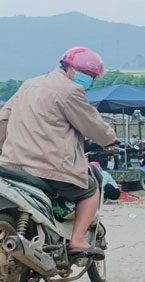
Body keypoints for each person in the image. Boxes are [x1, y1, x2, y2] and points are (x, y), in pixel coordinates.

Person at [0, 46, 116, 256]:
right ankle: (77, 240)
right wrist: (109, 140)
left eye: (91, 76)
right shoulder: (70, 90)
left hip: (11, 166)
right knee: (90, 190)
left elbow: (3, 121)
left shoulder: (29, 85)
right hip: (49, 169)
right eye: (85, 73)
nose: (87, 78)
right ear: (68, 67)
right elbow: (92, 124)